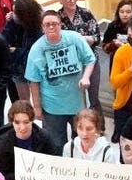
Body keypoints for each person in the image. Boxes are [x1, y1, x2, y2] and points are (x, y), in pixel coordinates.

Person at [24, 9, 94, 149]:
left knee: (82, 143)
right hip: (52, 108)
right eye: (47, 24)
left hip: (77, 105)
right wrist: (37, 108)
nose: (51, 27)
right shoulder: (37, 49)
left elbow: (90, 60)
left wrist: (86, 77)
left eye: (54, 23)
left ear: (60, 25)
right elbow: (33, 81)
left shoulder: (74, 38)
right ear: (42, 27)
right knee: (56, 146)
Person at [0, 99, 57, 180]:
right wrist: (25, 177)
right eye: (17, 123)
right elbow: (2, 174)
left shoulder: (44, 137)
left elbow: (54, 163)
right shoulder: (4, 142)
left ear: (32, 120)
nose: (22, 127)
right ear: (12, 122)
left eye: (26, 122)